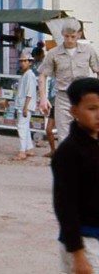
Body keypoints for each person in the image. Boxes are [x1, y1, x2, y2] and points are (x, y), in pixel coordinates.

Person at [52, 77, 99, 274]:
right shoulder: (68, 152)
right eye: (92, 108)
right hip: (84, 242)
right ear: (74, 111)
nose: (98, 115)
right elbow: (65, 205)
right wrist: (78, 254)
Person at [37, 18, 99, 145]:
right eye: (66, 36)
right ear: (62, 34)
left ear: (79, 35)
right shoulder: (53, 53)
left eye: (73, 36)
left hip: (84, 98)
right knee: (64, 136)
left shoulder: (88, 50)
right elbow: (42, 75)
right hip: (63, 98)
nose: (69, 40)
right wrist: (43, 98)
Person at [33, 45, 57, 157]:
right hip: (54, 104)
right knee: (48, 130)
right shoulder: (49, 75)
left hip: (62, 104)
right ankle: (53, 151)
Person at [14, 50, 37, 161]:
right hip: (22, 105)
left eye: (25, 61)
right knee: (25, 127)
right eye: (21, 61)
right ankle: (29, 148)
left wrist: (25, 107)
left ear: (30, 62)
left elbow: (29, 93)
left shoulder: (29, 75)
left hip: (25, 105)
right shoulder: (26, 75)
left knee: (22, 128)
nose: (22, 63)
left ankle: (22, 151)